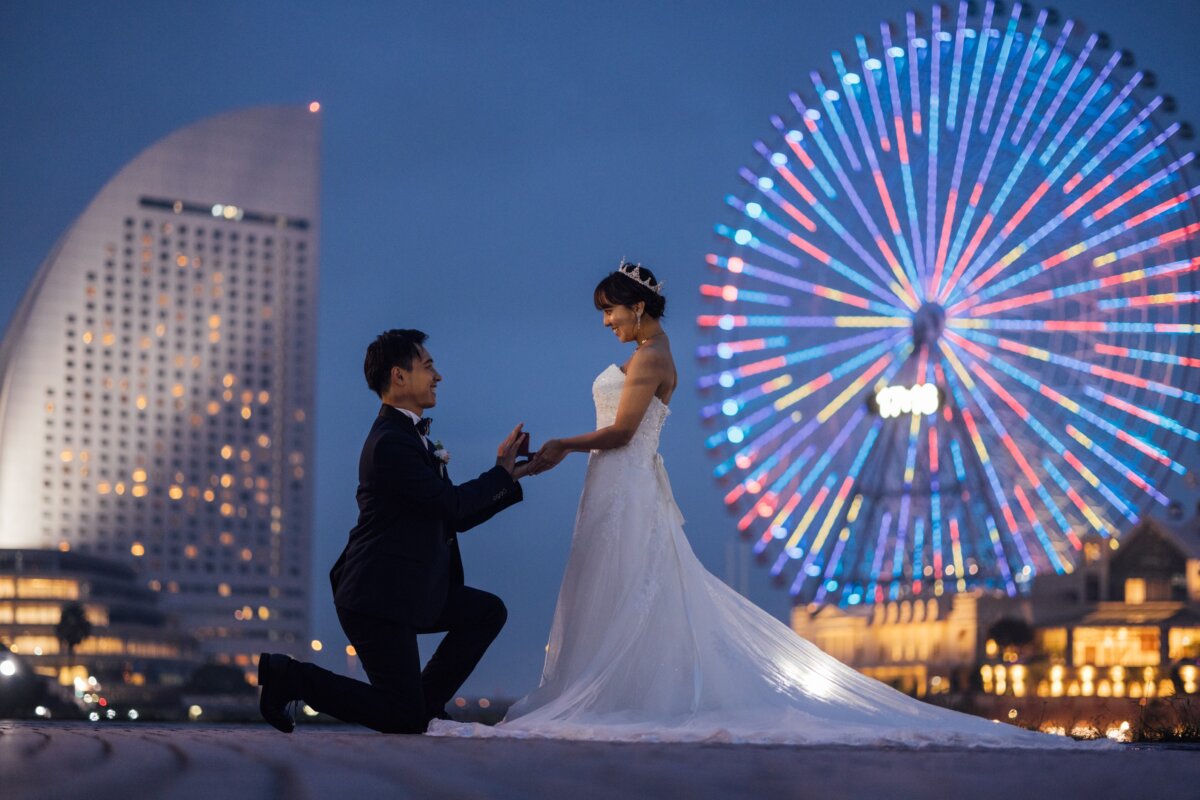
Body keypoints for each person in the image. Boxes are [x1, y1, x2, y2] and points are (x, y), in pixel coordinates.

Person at [431, 262, 1070, 746]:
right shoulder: (639, 355)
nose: (606, 322)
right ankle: (602, 685)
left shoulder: (653, 357)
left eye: (610, 311)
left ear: (638, 306)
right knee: (604, 583)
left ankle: (614, 692)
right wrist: (548, 457)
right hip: (610, 483)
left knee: (627, 582)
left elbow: (623, 433)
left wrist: (566, 444)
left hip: (624, 480)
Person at [258, 329, 532, 734]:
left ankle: (425, 705)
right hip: (377, 596)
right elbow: (451, 506)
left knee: (486, 613)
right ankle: (289, 677)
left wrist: (506, 480)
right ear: (398, 376)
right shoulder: (390, 443)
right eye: (428, 366)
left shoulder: (410, 438)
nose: (437, 376)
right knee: (400, 718)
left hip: (412, 589)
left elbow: (450, 515)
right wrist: (499, 475)